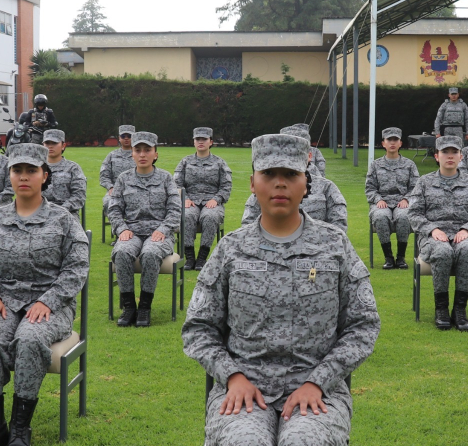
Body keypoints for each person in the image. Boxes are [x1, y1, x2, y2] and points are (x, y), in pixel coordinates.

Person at [182, 133, 379, 446]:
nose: (279, 184)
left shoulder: (333, 247)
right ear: (252, 182)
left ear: (306, 182)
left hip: (317, 392)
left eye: (289, 175)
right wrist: (231, 375)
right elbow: (199, 329)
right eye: (269, 175)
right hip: (242, 391)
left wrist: (321, 379)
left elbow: (363, 325)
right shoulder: (231, 250)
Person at [0, 143, 90, 446]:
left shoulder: (62, 220)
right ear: (9, 175)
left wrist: (49, 301)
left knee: (30, 339)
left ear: (44, 176)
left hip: (51, 304)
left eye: (31, 171)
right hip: (4, 300)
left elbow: (77, 268)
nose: (23, 177)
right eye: (17, 170)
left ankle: (21, 428)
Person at [407, 136, 468, 332]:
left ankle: (460, 310)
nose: (450, 156)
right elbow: (414, 213)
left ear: (461, 156)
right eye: (445, 152)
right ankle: (441, 309)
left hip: (463, 235)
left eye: (454, 152)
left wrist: (467, 230)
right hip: (432, 237)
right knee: (443, 252)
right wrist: (432, 229)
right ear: (437, 156)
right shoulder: (424, 182)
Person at [107, 131, 181, 328]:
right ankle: (129, 307)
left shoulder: (166, 178)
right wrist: (121, 228)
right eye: (137, 150)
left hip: (158, 232)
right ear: (131, 153)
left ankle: (145, 307)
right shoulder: (123, 179)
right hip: (131, 231)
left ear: (155, 154)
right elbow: (114, 209)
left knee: (150, 253)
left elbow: (175, 210)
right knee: (121, 252)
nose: (142, 154)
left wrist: (164, 229)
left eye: (147, 150)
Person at [243, 149, 348, 231]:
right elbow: (249, 222)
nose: (280, 183)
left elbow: (339, 222)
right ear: (253, 183)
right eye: (268, 173)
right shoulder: (233, 246)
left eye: (291, 174)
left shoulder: (326, 186)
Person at [175, 127, 232, 271]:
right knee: (186, 215)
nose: (200, 142)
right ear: (193, 142)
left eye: (204, 139)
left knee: (210, 216)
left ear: (210, 142)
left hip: (211, 201)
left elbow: (226, 185)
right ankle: (189, 257)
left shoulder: (219, 163)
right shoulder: (185, 162)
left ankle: (202, 258)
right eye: (197, 139)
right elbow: (176, 183)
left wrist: (217, 199)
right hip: (191, 200)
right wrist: (185, 198)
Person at [366, 127, 419, 270]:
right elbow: (370, 188)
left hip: (402, 202)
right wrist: (378, 200)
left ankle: (400, 258)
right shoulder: (375, 165)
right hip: (382, 202)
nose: (392, 143)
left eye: (395, 140)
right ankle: (388, 258)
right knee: (380, 217)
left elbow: (415, 187)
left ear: (400, 143)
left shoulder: (409, 165)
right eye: (389, 140)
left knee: (404, 217)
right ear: (383, 143)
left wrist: (407, 199)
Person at [40, 129, 88, 214]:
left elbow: (79, 196)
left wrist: (62, 210)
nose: (50, 146)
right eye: (47, 143)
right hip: (40, 213)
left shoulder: (73, 168)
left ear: (63, 145)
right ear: (43, 145)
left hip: (67, 213)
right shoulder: (36, 168)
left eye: (54, 143)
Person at [99, 124, 136, 215]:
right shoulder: (112, 156)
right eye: (123, 136)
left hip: (136, 190)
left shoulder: (140, 155)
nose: (126, 138)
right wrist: (110, 187)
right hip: (116, 191)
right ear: (119, 138)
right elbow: (104, 176)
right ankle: (117, 226)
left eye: (129, 136)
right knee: (109, 203)